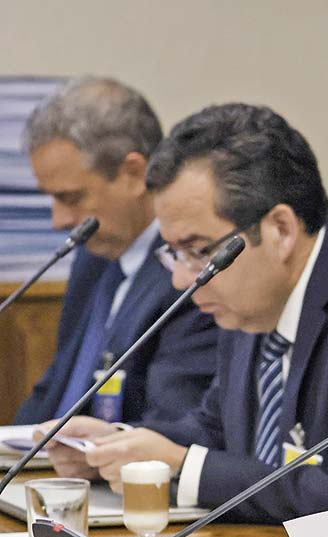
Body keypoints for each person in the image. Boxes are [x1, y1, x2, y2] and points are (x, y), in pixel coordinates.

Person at [45, 103, 328, 524]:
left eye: (197, 251)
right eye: (174, 254)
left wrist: (184, 467)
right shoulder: (251, 296)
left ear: (281, 229)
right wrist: (116, 445)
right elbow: (215, 428)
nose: (184, 282)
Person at [15, 76, 217, 425]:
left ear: (134, 173)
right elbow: (54, 390)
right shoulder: (92, 258)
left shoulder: (189, 275)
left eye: (71, 198)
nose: (58, 220)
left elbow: (170, 424)